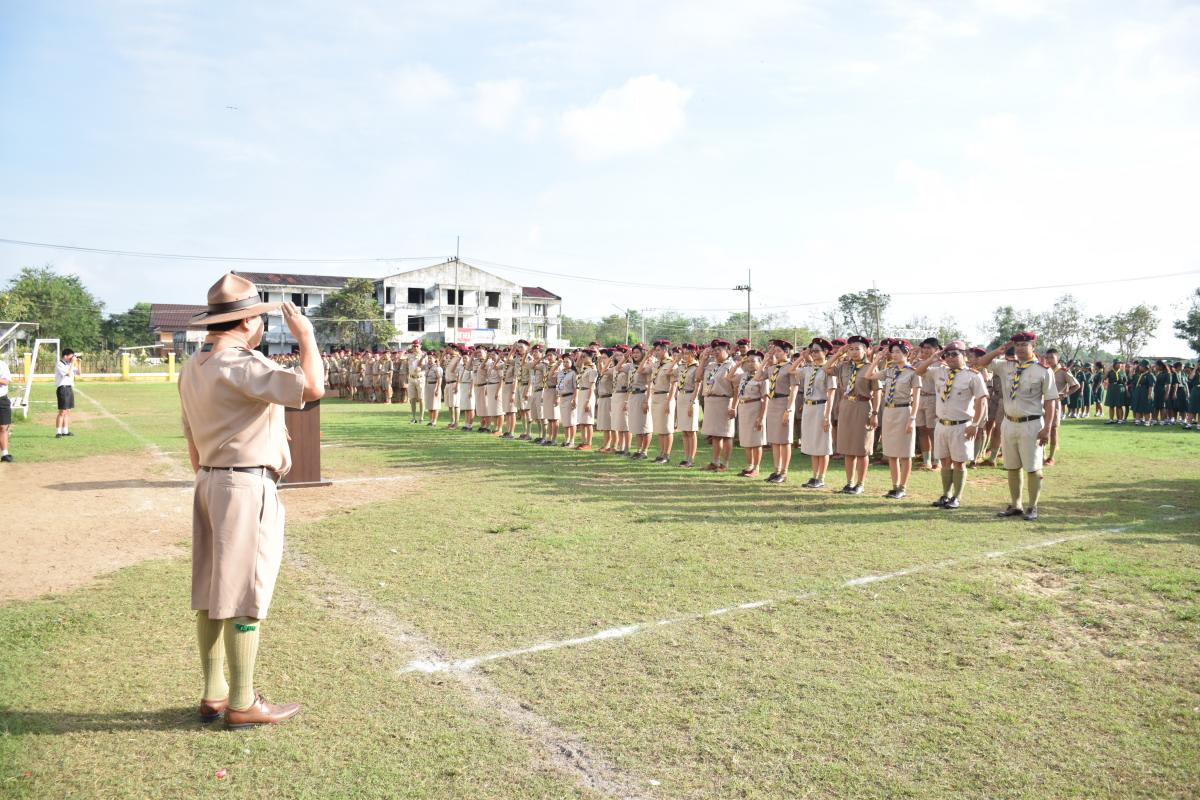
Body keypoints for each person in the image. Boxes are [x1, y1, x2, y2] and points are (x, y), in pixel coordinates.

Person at [180, 273, 323, 729]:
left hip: (208, 479)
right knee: (245, 591)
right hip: (244, 484)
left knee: (210, 590)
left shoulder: (194, 364)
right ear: (246, 323)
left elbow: (189, 440)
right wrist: (307, 337)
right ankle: (242, 701)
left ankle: (214, 693)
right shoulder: (240, 363)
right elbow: (312, 388)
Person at [976, 332, 1057, 521]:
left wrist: (1047, 429)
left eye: (1024, 345)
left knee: (1033, 467)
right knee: (1012, 467)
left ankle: (1033, 506)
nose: (1020, 348)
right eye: (1017, 345)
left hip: (1032, 423)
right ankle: (1016, 504)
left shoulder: (1043, 370)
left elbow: (1051, 401)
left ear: (1033, 347)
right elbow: (981, 363)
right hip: (1009, 422)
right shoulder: (1006, 366)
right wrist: (999, 350)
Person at [915, 341, 987, 509]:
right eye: (947, 354)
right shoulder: (939, 371)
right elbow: (918, 371)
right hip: (942, 424)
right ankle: (946, 494)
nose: (950, 357)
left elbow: (981, 401)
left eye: (955, 354)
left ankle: (957, 496)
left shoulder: (973, 375)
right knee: (945, 461)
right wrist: (933, 358)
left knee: (959, 462)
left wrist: (975, 424)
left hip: (961, 425)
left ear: (964, 355)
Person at [866, 339, 920, 499]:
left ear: (906, 353)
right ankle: (895, 486)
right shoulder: (889, 370)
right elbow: (869, 375)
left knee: (905, 452)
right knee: (892, 452)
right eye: (893, 352)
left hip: (904, 411)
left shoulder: (913, 372)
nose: (894, 355)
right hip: (889, 411)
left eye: (898, 352)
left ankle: (903, 487)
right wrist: (878, 357)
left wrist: (912, 418)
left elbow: (916, 399)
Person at [826, 336, 879, 495]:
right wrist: (838, 354)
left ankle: (860, 483)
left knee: (862, 448)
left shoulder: (870, 368)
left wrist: (875, 413)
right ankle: (849, 483)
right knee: (847, 447)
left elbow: (877, 391)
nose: (854, 352)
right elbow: (826, 368)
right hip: (846, 406)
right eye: (851, 348)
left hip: (863, 406)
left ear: (865, 351)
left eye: (858, 348)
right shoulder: (843, 366)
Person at [797, 338, 836, 488]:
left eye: (816, 351)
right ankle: (814, 476)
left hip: (821, 406)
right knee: (813, 443)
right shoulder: (809, 368)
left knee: (822, 443)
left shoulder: (829, 369)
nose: (813, 353)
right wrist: (803, 356)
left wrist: (827, 415)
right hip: (809, 407)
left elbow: (831, 394)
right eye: (812, 351)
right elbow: (791, 371)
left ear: (825, 352)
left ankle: (821, 477)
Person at [764, 341, 800, 484]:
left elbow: (795, 389)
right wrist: (766, 359)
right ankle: (777, 470)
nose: (776, 353)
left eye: (779, 351)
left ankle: (784, 472)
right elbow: (757, 377)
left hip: (784, 402)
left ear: (786, 352)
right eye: (775, 351)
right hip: (773, 402)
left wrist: (789, 409)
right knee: (775, 440)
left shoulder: (790, 367)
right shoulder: (772, 368)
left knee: (784, 440)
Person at [699, 339, 737, 471]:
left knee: (726, 434)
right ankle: (715, 462)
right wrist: (703, 359)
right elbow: (698, 377)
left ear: (727, 351)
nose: (715, 352)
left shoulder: (732, 365)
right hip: (711, 401)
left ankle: (725, 464)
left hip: (725, 401)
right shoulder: (712, 365)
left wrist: (734, 407)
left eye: (718, 350)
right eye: (714, 350)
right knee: (715, 434)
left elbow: (736, 388)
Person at [731, 350, 768, 477]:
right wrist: (738, 364)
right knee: (746, 439)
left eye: (753, 361)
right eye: (748, 361)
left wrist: (761, 417)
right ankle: (750, 465)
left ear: (760, 362)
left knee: (756, 440)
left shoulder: (763, 377)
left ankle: (757, 468)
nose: (750, 363)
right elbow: (729, 377)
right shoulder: (744, 375)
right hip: (743, 408)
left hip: (755, 407)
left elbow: (765, 399)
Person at [1043, 349, 1079, 465]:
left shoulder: (1063, 371)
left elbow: (1076, 385)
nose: (1048, 360)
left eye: (1051, 357)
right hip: (1041, 403)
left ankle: (1051, 457)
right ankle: (1041, 454)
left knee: (1053, 429)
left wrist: (1066, 394)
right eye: (1047, 357)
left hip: (1055, 403)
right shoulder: (1043, 370)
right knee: (1040, 428)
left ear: (1057, 358)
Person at [649, 339, 678, 464]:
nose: (656, 352)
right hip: (655, 396)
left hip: (665, 397)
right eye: (655, 350)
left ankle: (667, 454)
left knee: (667, 428)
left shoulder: (672, 364)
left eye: (659, 350)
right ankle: (661, 453)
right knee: (660, 428)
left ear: (666, 350)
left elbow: (674, 385)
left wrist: (669, 401)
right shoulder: (656, 364)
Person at [913, 337, 940, 471]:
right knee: (922, 430)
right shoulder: (919, 363)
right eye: (924, 349)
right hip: (919, 398)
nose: (926, 351)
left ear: (936, 349)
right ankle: (926, 460)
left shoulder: (941, 364)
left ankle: (937, 461)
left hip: (933, 398)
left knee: (933, 431)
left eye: (929, 348)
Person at [674, 343, 701, 468]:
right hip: (681, 396)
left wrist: (692, 402)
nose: (685, 355)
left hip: (690, 397)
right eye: (683, 353)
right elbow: (670, 372)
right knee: (684, 430)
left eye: (687, 353)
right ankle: (686, 457)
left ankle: (691, 458)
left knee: (691, 430)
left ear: (694, 353)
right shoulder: (681, 367)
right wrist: (677, 359)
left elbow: (697, 386)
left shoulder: (696, 367)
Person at [627, 344, 653, 459]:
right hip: (633, 395)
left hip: (643, 395)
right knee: (637, 426)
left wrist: (646, 401)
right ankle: (638, 450)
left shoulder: (648, 365)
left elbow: (650, 384)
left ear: (643, 353)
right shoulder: (631, 366)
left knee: (645, 425)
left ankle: (644, 451)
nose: (635, 355)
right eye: (634, 352)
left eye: (638, 352)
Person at [575, 349, 599, 450]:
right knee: (582, 420)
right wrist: (580, 356)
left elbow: (592, 386)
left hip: (588, 394)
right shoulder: (584, 368)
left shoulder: (593, 369)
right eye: (582, 356)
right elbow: (577, 365)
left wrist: (588, 401)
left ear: (591, 357)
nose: (583, 358)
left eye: (585, 356)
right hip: (581, 392)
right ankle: (583, 441)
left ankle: (588, 443)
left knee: (588, 421)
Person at [54, 348, 80, 438]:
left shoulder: (70, 364)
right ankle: (58, 432)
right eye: (70, 356)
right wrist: (72, 363)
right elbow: (68, 373)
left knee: (68, 411)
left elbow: (79, 373)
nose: (71, 358)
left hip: (69, 388)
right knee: (62, 411)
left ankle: (65, 431)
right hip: (62, 388)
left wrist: (79, 363)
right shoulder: (60, 363)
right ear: (65, 356)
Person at [612, 347, 632, 455]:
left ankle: (627, 448)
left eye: (621, 355)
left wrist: (627, 401)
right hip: (616, 394)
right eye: (617, 355)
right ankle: (620, 446)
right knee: (619, 424)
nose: (618, 357)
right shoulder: (616, 367)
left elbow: (630, 384)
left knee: (625, 424)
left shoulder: (629, 366)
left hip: (624, 395)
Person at [422, 351, 443, 426]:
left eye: (431, 358)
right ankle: (431, 420)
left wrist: (437, 389)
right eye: (428, 358)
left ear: (435, 359)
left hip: (434, 386)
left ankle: (434, 421)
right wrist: (423, 357)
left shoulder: (437, 368)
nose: (429, 359)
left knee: (435, 405)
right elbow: (418, 365)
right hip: (428, 386)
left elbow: (439, 379)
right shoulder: (427, 366)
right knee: (429, 405)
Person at [1104, 360, 1128, 424]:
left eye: (1120, 364)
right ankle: (1111, 419)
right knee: (1111, 405)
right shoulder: (1110, 372)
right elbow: (1104, 378)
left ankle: (1120, 419)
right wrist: (1107, 370)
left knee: (1119, 405)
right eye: (1118, 363)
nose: (1120, 365)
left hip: (1120, 389)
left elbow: (1125, 382)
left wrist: (1127, 391)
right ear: (1114, 364)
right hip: (1111, 388)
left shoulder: (1122, 372)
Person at [0, 356, 13, 462]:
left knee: (3, 427)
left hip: (2, 399)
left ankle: (5, 454)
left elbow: (5, 382)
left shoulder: (2, 365)